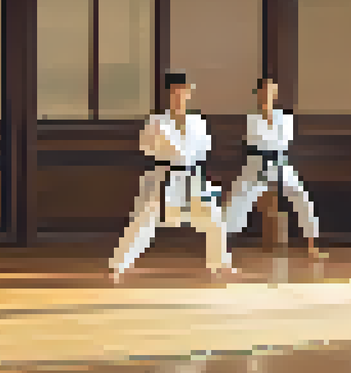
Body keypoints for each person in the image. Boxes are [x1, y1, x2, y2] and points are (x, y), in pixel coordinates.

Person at [110, 72, 233, 278]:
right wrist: (166, 149)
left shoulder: (198, 121)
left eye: (183, 91)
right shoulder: (157, 121)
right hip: (164, 174)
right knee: (144, 220)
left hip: (192, 175)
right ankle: (120, 263)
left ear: (189, 93)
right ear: (169, 94)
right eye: (175, 92)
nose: (179, 96)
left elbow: (205, 149)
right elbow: (145, 147)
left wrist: (191, 165)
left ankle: (219, 262)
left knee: (213, 217)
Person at [223, 77, 325, 259]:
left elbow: (284, 140)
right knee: (237, 198)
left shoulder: (285, 118)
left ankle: (312, 244)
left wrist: (271, 134)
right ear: (258, 94)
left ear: (275, 94)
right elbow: (258, 140)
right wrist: (270, 133)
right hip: (256, 164)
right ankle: (224, 245)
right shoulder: (252, 118)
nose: (266, 95)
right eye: (263, 91)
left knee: (302, 196)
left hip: (280, 163)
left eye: (270, 91)